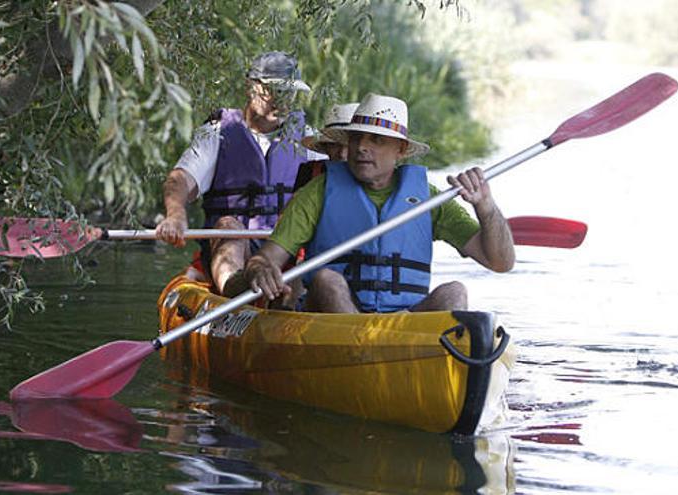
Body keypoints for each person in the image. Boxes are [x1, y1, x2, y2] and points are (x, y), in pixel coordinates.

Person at [242, 93, 516, 313]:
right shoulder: (318, 192)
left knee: (454, 292)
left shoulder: (428, 199)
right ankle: (361, 359)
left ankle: (432, 366)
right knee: (328, 281)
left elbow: (500, 262)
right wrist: (260, 270)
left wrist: (486, 207)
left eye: (376, 140)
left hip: (403, 322)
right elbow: (265, 259)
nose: (361, 147)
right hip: (332, 325)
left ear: (401, 150)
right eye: (357, 138)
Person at [155, 51, 325, 295]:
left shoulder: (308, 140)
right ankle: (235, 287)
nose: (282, 100)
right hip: (232, 245)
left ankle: (288, 306)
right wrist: (176, 214)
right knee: (227, 224)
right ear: (250, 88)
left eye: (288, 92)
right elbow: (181, 178)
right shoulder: (217, 133)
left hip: (282, 248)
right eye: (273, 91)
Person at [294, 102, 359, 190]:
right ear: (325, 146)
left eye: (349, 146)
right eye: (334, 145)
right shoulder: (309, 171)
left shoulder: (374, 177)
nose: (342, 154)